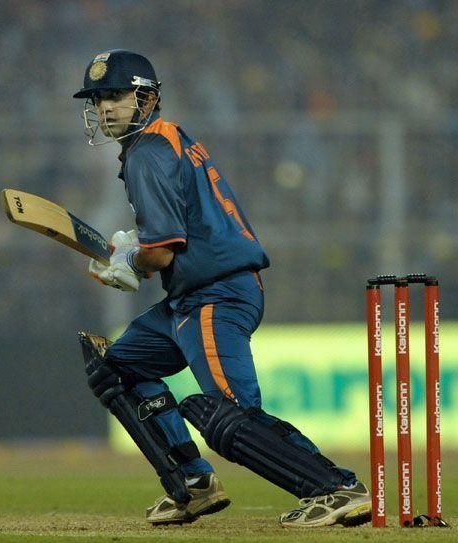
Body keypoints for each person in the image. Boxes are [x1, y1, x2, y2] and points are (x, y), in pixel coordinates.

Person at [73, 49, 371, 528]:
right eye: (98, 98)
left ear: (145, 97)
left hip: (216, 295)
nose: (105, 107)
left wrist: (132, 262)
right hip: (190, 298)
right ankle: (193, 484)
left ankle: (335, 487)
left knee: (229, 415)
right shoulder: (163, 139)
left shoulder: (148, 152)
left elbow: (164, 251)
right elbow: (174, 233)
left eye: (115, 95)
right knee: (117, 369)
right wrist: (140, 253)